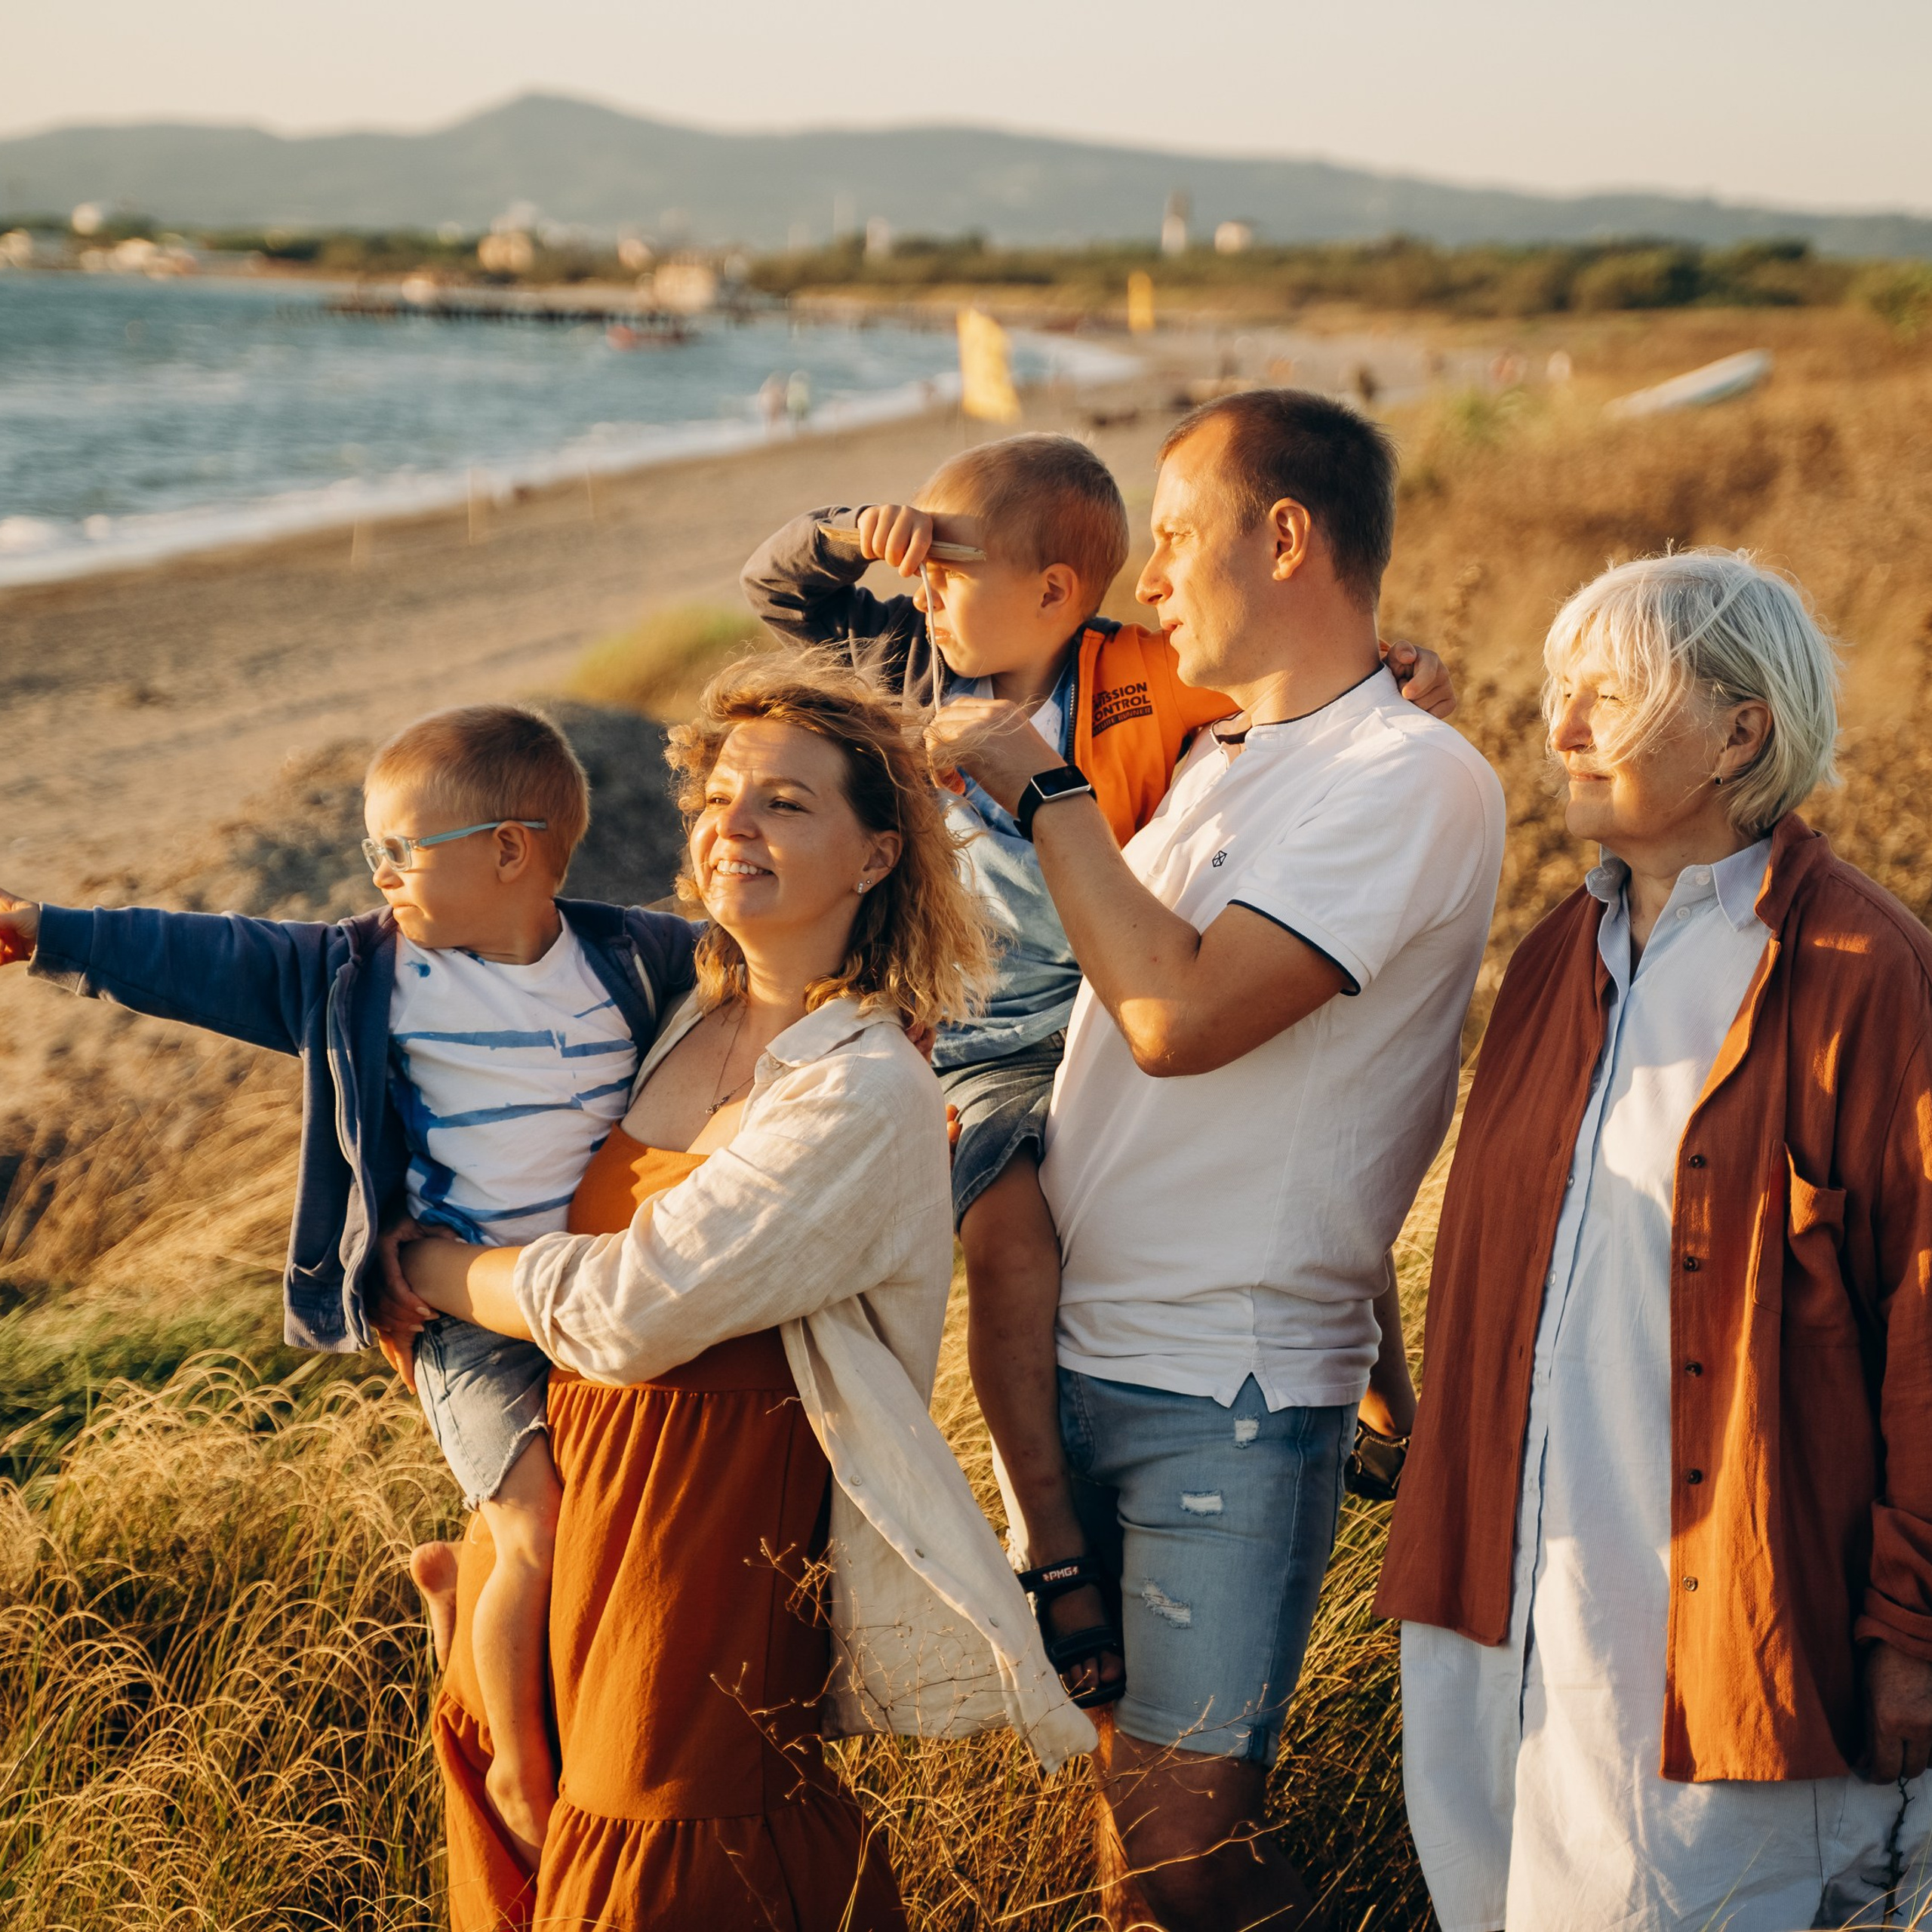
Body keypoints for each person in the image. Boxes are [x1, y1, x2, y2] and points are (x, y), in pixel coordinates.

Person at [741, 432, 1455, 1719]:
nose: (925, 597)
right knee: (1009, 1245)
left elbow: (1294, 697)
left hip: (1102, 1005)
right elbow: (778, 591)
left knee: (1294, 1183)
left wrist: (1394, 671)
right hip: (969, 1039)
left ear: (1060, 593)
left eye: (949, 572)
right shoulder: (905, 663)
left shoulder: (1139, 673)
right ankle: (1052, 1545)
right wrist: (862, 529)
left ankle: (1393, 1405)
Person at [376, 656, 1097, 1930]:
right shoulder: (668, 1011)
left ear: (878, 860)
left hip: (701, 1544)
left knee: (672, 1858)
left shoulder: (865, 1085)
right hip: (568, 1505)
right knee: (522, 1854)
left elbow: (631, 1307)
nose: (733, 825)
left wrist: (434, 1269)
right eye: (718, 796)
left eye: (786, 804)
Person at [928, 389, 1506, 1931]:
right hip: (1085, 1365)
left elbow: (1176, 1017)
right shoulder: (1218, 762)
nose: (1148, 577)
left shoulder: (1407, 774)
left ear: (1287, 535)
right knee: (1135, 1860)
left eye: (1173, 535)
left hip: (1225, 1390)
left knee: (1190, 1869)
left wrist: (1043, 795)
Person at [0, 704, 696, 1866]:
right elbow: (204, 953)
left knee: (623, 1525)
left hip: (589, 1286)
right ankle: (522, 1771)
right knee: (539, 1518)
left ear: (513, 850)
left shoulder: (633, 956)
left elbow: (765, 986)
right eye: (373, 851)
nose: (375, 873)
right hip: (462, 1313)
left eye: (401, 850)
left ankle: (450, 1602)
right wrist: (47, 931)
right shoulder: (360, 973)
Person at [1377, 551, 1932, 1932]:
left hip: (1723, 1650)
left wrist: (1913, 1630)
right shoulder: (1558, 960)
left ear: (1741, 731)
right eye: (1559, 692)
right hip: (1496, 1630)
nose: (1557, 728)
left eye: (1606, 697)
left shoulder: (1866, 974)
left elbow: (1929, 1329)